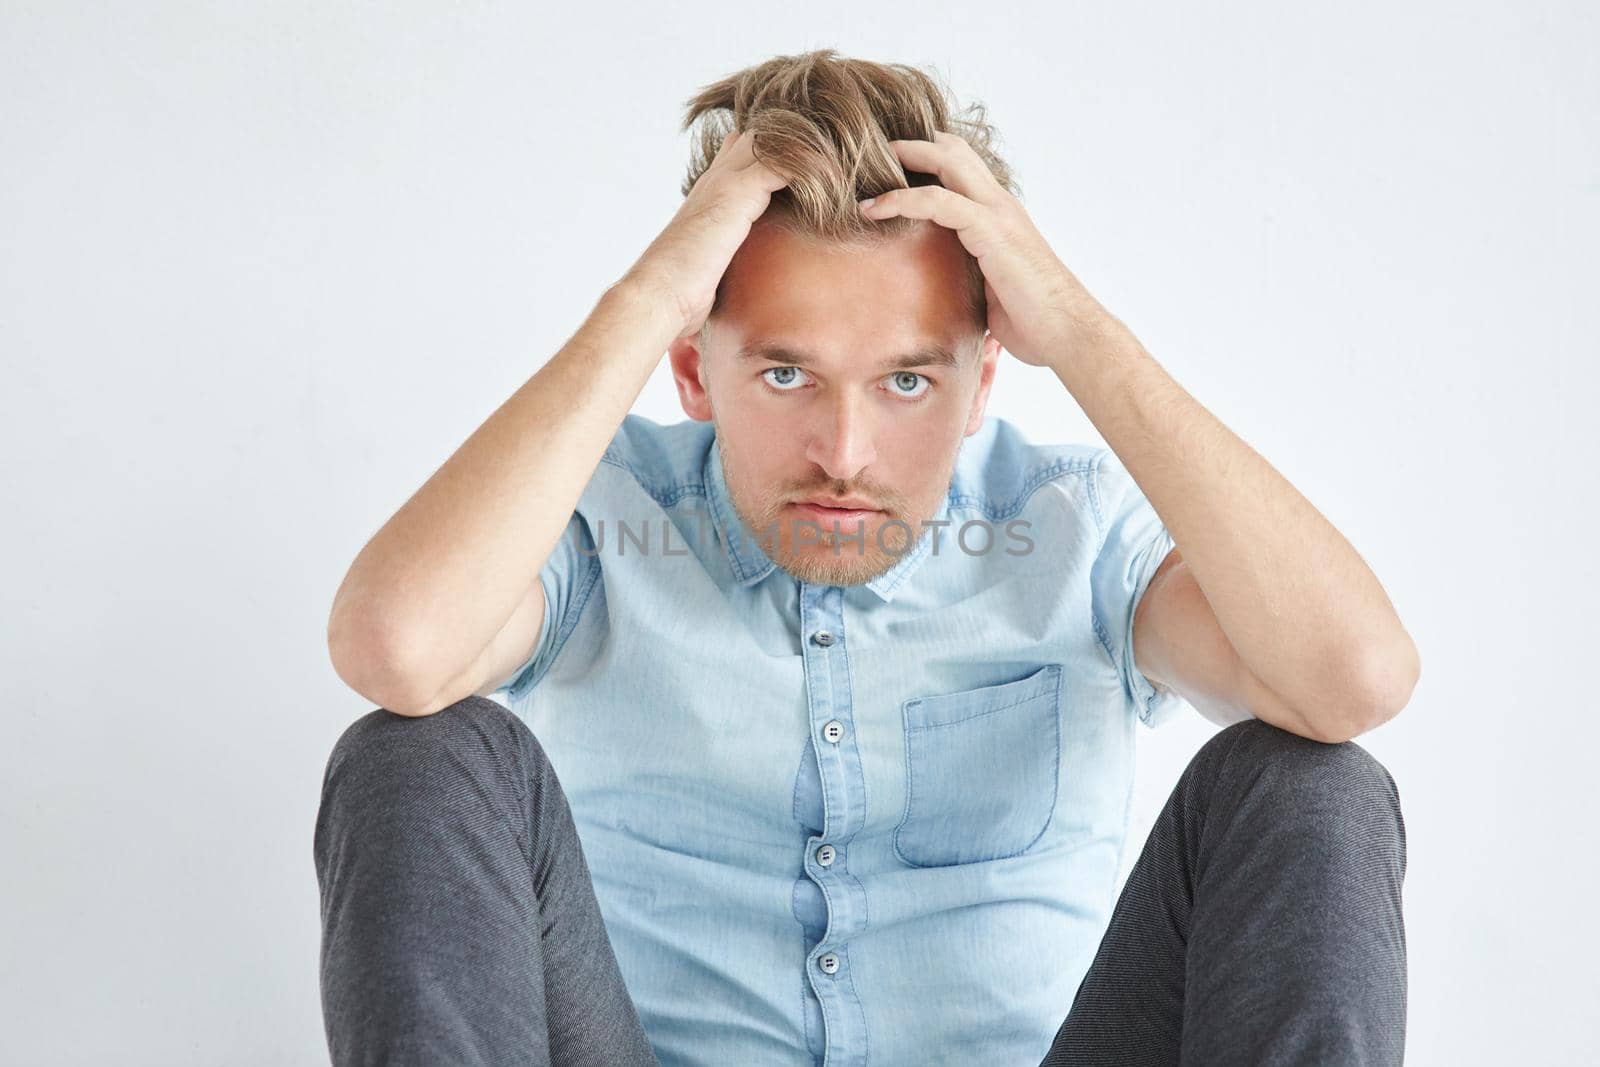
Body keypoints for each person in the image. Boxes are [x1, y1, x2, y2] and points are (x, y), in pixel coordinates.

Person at [314, 48, 1417, 1067]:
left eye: (906, 381)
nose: (844, 455)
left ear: (984, 377)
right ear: (694, 372)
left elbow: (1350, 681)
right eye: (786, 375)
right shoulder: (607, 518)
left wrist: (1075, 327)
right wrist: (650, 298)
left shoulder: (1072, 533)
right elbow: (396, 650)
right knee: (416, 754)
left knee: (1310, 784)